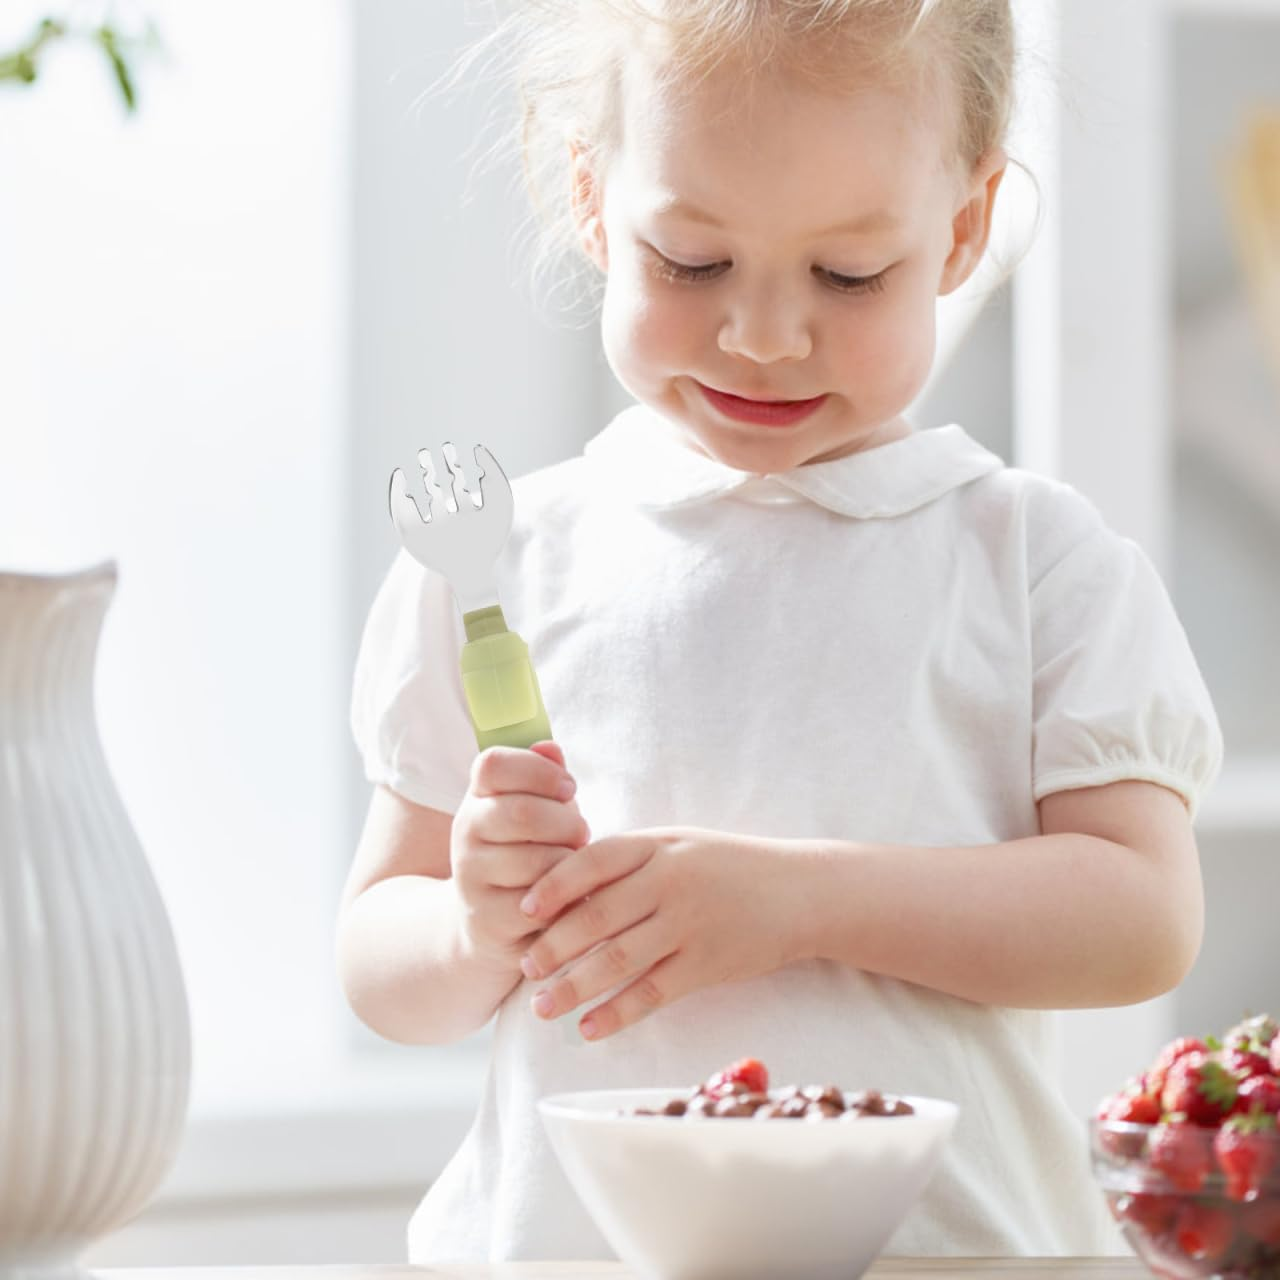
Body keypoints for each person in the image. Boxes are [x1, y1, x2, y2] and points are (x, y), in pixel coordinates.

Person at [337, 0, 1222, 1263]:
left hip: (944, 1249)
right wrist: (471, 923)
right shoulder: (495, 563)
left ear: (961, 228)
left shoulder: (1036, 563)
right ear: (592, 201)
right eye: (690, 262)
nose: (761, 335)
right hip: (570, 1250)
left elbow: (1137, 916)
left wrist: (798, 900)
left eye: (847, 274)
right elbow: (381, 963)